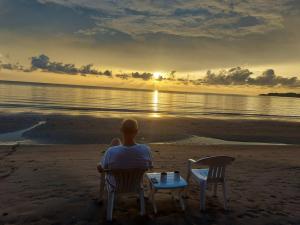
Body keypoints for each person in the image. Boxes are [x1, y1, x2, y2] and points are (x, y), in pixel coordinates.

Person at [97, 119, 152, 201]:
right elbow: (150, 166)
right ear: (136, 131)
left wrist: (98, 165)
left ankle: (100, 198)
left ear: (121, 130)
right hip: (135, 184)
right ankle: (140, 195)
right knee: (116, 142)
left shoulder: (111, 151)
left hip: (115, 185)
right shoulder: (145, 149)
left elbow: (102, 169)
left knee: (113, 145)